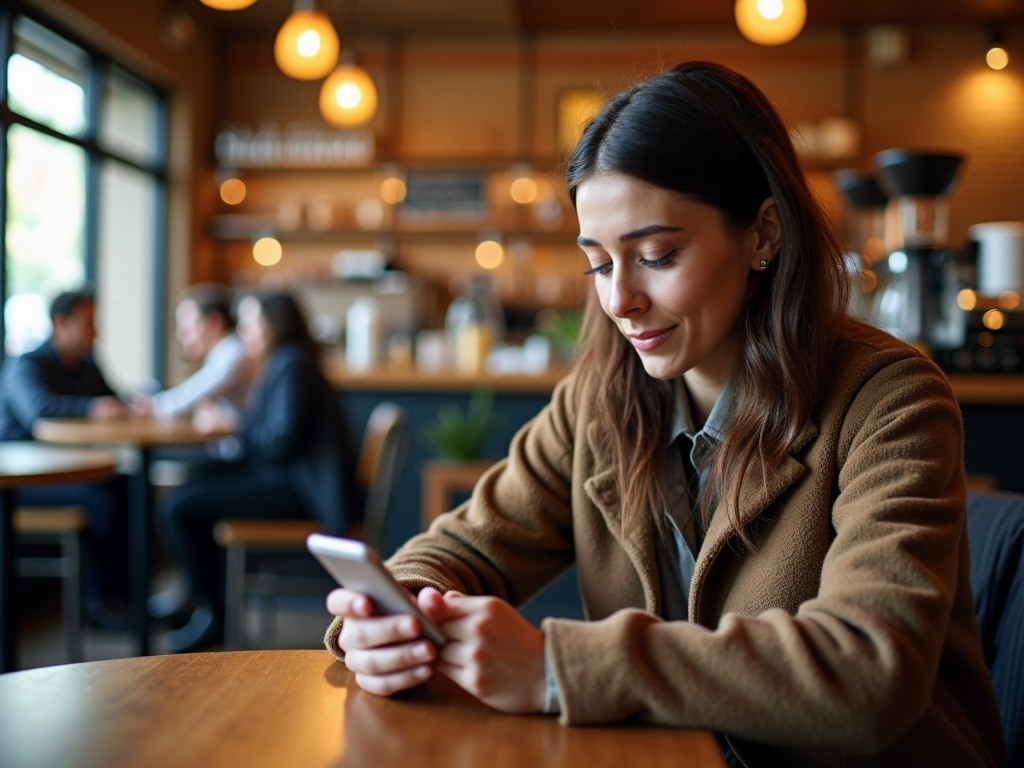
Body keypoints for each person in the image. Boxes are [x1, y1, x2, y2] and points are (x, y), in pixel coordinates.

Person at [324, 62, 1005, 768]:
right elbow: (462, 549)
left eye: (656, 255)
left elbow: (871, 672)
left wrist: (556, 669)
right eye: (599, 263)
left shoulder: (890, 399)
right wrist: (394, 614)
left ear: (764, 233)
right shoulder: (600, 402)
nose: (620, 300)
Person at [158, 292, 359, 652]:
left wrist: (232, 423)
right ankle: (204, 606)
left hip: (300, 493)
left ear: (273, 324)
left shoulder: (291, 364)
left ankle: (209, 612)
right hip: (291, 481)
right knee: (193, 482)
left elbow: (281, 441)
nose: (244, 331)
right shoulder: (288, 361)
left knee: (179, 506)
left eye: (251, 322)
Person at [0, 288, 131, 628]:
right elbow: (39, 413)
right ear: (61, 323)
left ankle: (125, 596)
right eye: (88, 323)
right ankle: (96, 602)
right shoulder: (26, 365)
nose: (96, 332)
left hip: (65, 473)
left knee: (130, 486)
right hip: (22, 480)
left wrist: (134, 403)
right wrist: (92, 408)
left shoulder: (87, 366)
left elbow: (113, 400)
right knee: (101, 500)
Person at [133, 283, 251, 421]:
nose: (180, 335)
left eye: (187, 327)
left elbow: (188, 397)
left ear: (215, 323)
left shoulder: (234, 355)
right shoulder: (225, 354)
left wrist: (150, 406)